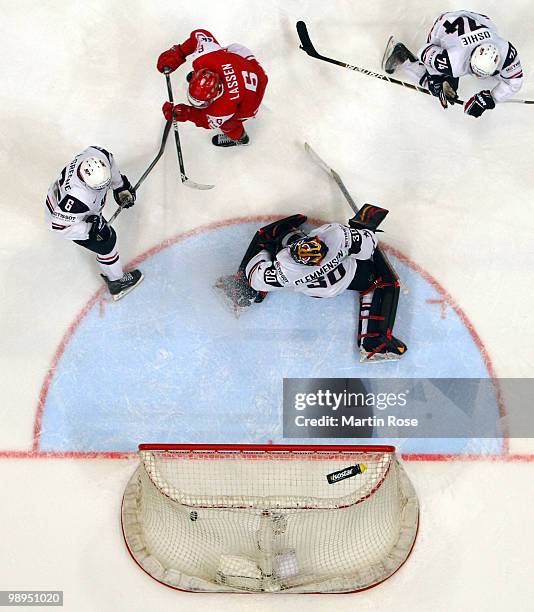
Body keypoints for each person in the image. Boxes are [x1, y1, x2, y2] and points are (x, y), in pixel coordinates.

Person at [225, 214, 407, 362]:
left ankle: (239, 293)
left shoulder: (286, 271)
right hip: (345, 276)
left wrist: (267, 249)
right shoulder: (335, 236)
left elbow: (254, 275)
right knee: (379, 283)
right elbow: (369, 245)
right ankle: (373, 340)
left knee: (261, 256)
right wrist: (363, 230)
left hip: (318, 290)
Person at [45, 146, 143, 301]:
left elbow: (110, 161)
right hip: (69, 218)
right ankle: (117, 282)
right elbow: (58, 225)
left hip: (70, 205)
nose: (105, 188)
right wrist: (90, 229)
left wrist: (119, 186)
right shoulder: (78, 198)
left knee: (105, 236)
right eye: (100, 187)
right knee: (106, 243)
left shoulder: (98, 155)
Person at [382, 10, 523, 117]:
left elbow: (515, 82)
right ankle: (403, 58)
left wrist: (492, 98)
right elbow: (424, 52)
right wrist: (435, 80)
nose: (477, 77)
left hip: (478, 20)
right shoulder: (453, 61)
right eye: (475, 72)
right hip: (444, 25)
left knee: (450, 81)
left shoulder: (505, 50)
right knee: (436, 86)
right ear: (470, 60)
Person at [157, 28, 268, 147]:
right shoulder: (206, 58)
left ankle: (241, 139)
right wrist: (178, 53)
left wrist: (188, 113)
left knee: (229, 124)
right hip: (242, 63)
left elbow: (206, 121)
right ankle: (204, 80)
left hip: (254, 90)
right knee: (227, 52)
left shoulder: (221, 109)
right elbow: (199, 35)